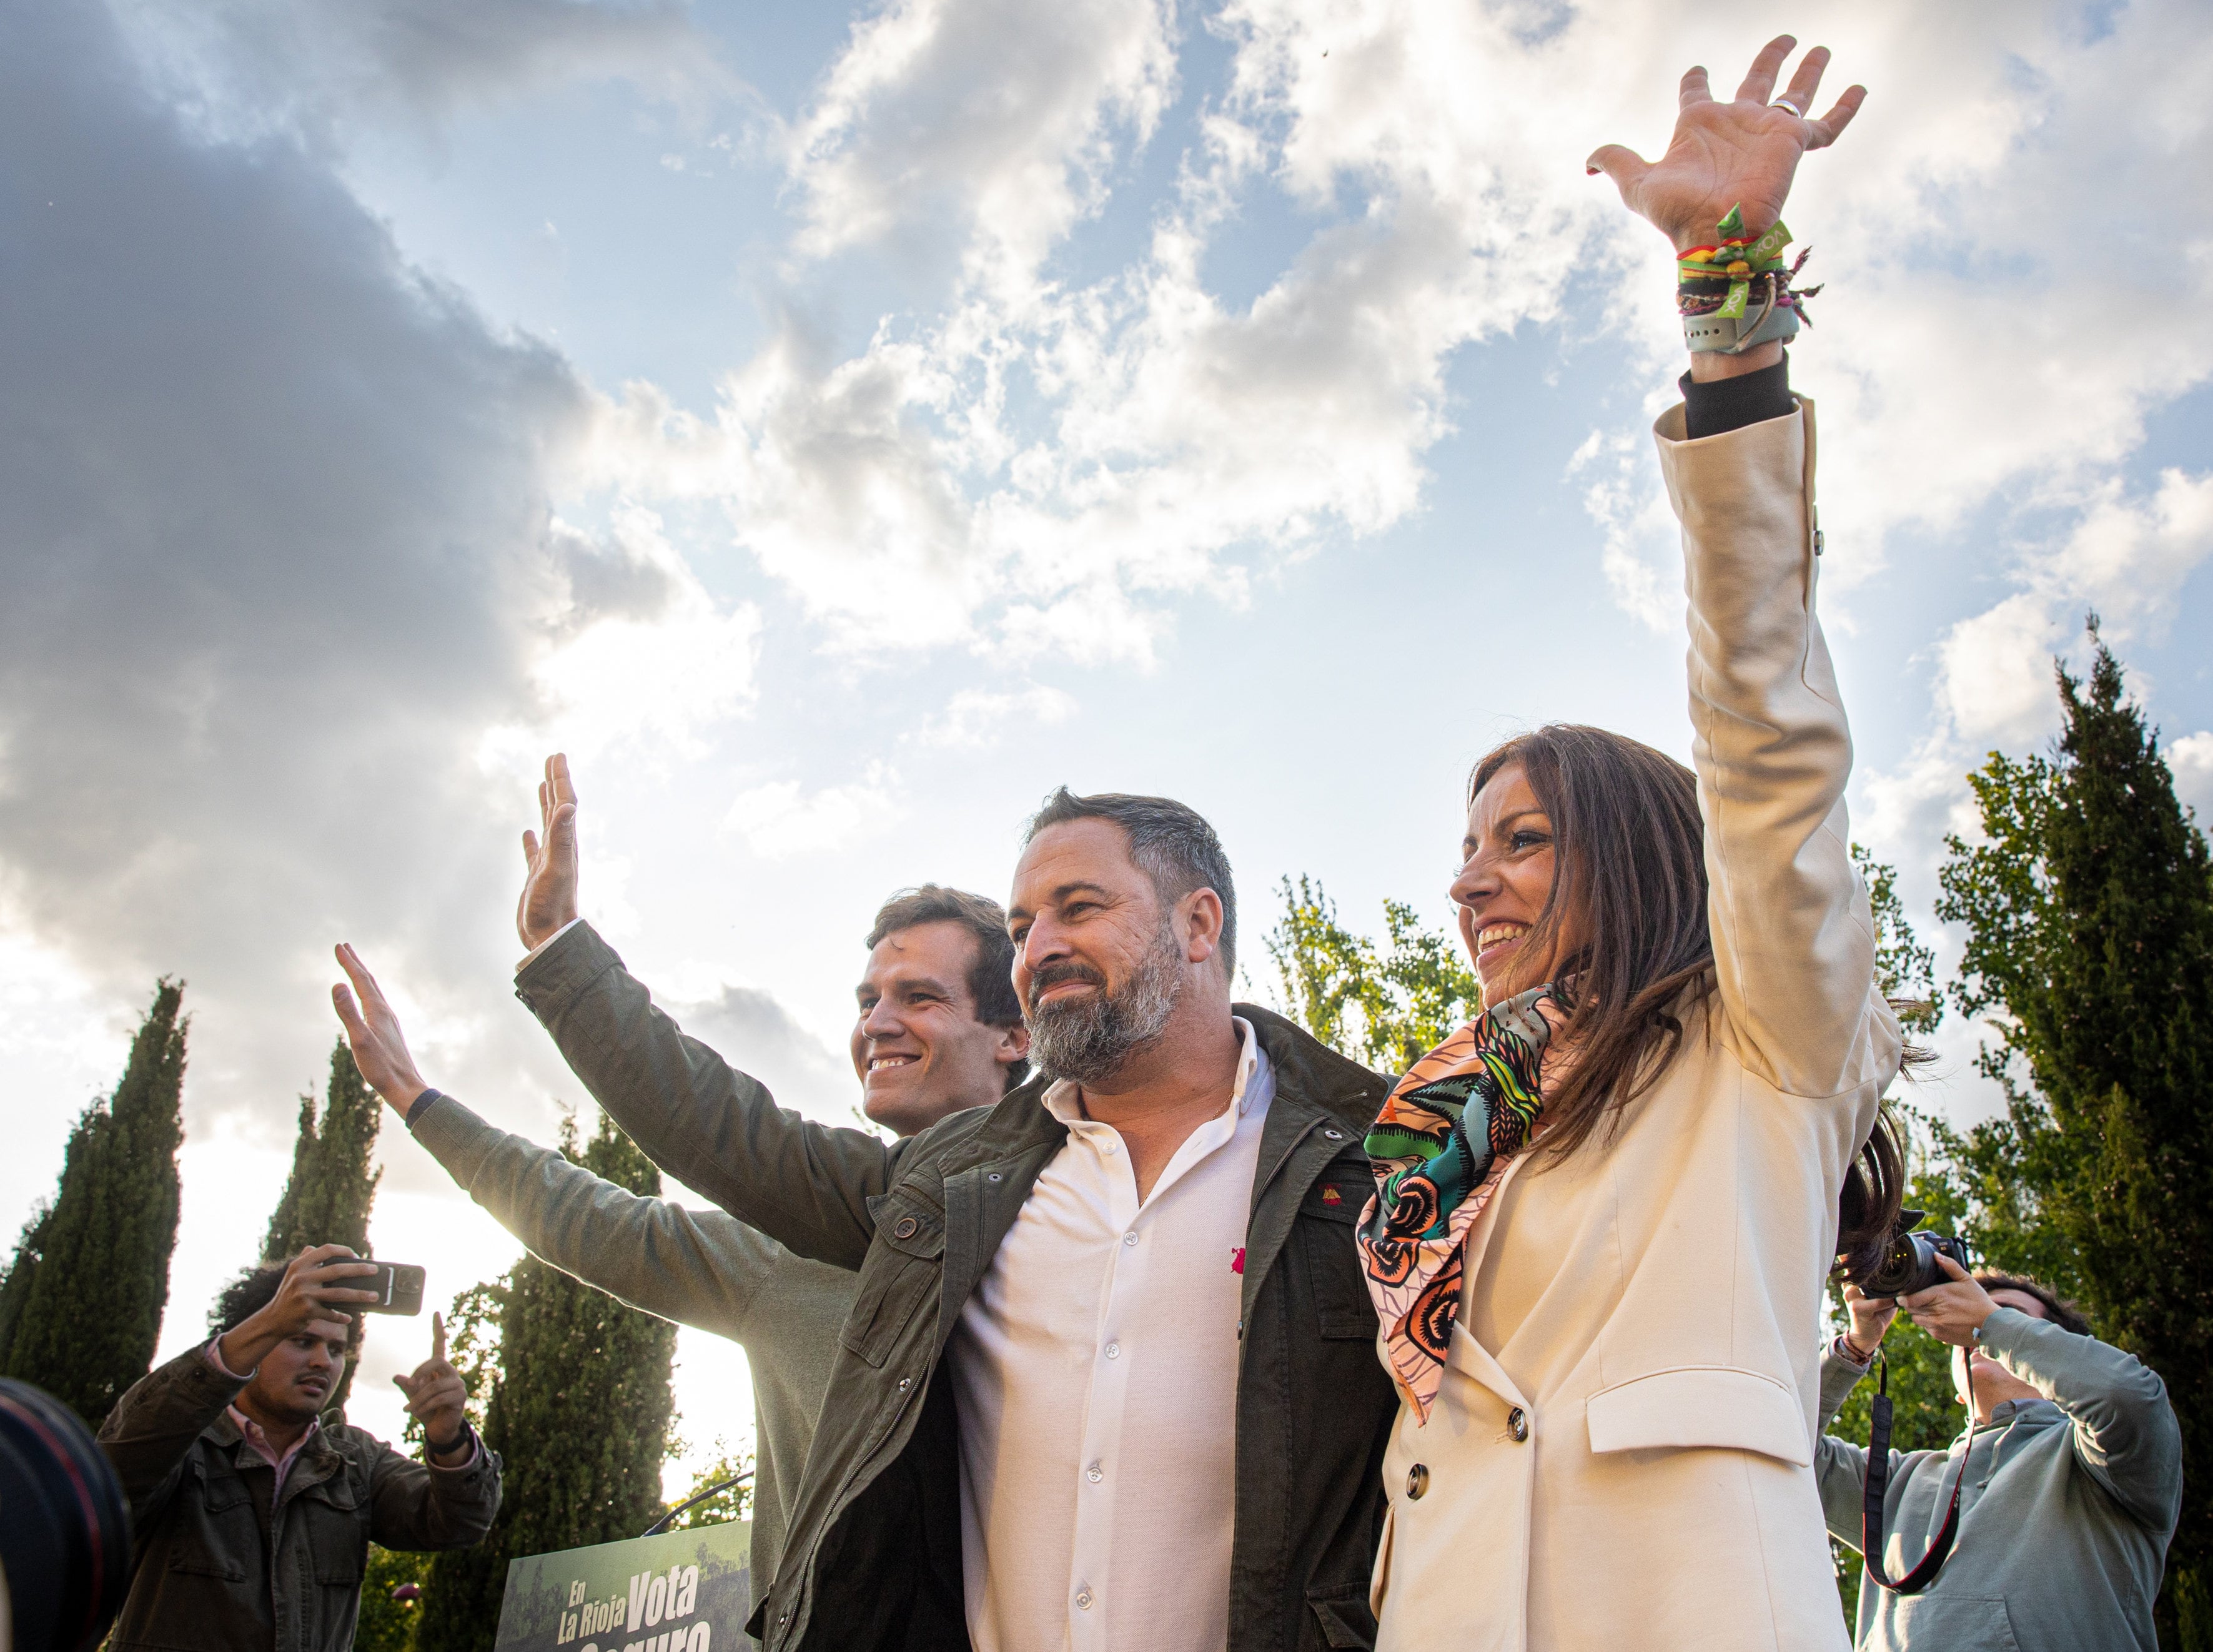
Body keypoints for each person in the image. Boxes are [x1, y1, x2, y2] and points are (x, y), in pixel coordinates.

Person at [1357, 37, 1901, 1651]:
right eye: (1464, 845)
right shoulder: (1442, 1120)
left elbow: (1759, 732)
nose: (1467, 879)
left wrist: (1726, 308)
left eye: (1521, 839)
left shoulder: (1766, 1031)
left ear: (1635, 849)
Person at [485, 763, 1395, 1651]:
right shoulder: (956, 1184)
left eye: (1078, 908)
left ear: (1197, 923)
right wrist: (565, 959)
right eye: (1022, 925)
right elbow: (736, 1136)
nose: (1036, 949)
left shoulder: (1379, 1165)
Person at [329, 883, 1031, 1623]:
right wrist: (417, 1100)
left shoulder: (1079, 1208)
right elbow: (588, 1217)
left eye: (919, 996)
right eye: (867, 1002)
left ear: (1014, 1033)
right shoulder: (781, 1254)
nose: (877, 1024)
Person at [97, 1245, 500, 1651]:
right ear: (258, 1338)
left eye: (336, 1349)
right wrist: (271, 1318)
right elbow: (118, 1467)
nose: (324, 1361)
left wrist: (450, 1437)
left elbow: (460, 1522)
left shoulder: (355, 1459)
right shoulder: (184, 1446)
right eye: (303, 1340)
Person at [1815, 1261, 2182, 1651]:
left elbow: (2127, 1395)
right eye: (1971, 1324)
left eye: (2009, 1316)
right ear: (1958, 1391)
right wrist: (1853, 1348)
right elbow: (1782, 1445)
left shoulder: (2101, 1462)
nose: (1977, 1330)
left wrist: (1990, 1324)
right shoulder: (1897, 1482)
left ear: (2051, 1362)